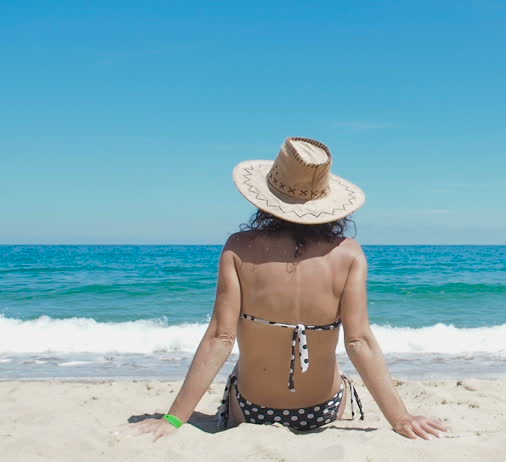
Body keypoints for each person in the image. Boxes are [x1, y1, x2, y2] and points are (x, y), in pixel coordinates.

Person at [133, 137, 447, 441]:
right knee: (338, 375)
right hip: (321, 411)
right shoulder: (349, 255)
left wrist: (173, 418)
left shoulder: (239, 249)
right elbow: (359, 341)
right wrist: (400, 418)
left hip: (252, 411)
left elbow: (220, 337)